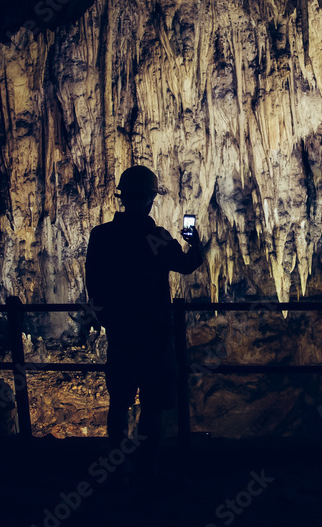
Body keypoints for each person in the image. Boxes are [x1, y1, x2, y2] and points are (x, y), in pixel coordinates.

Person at [84, 165, 205, 488]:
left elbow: (92, 285)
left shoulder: (102, 236)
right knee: (152, 405)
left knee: (119, 403)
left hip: (122, 334)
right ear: (151, 199)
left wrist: (107, 320)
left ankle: (116, 470)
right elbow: (188, 265)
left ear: (123, 198)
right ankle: (147, 472)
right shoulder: (157, 238)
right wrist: (195, 243)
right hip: (154, 335)